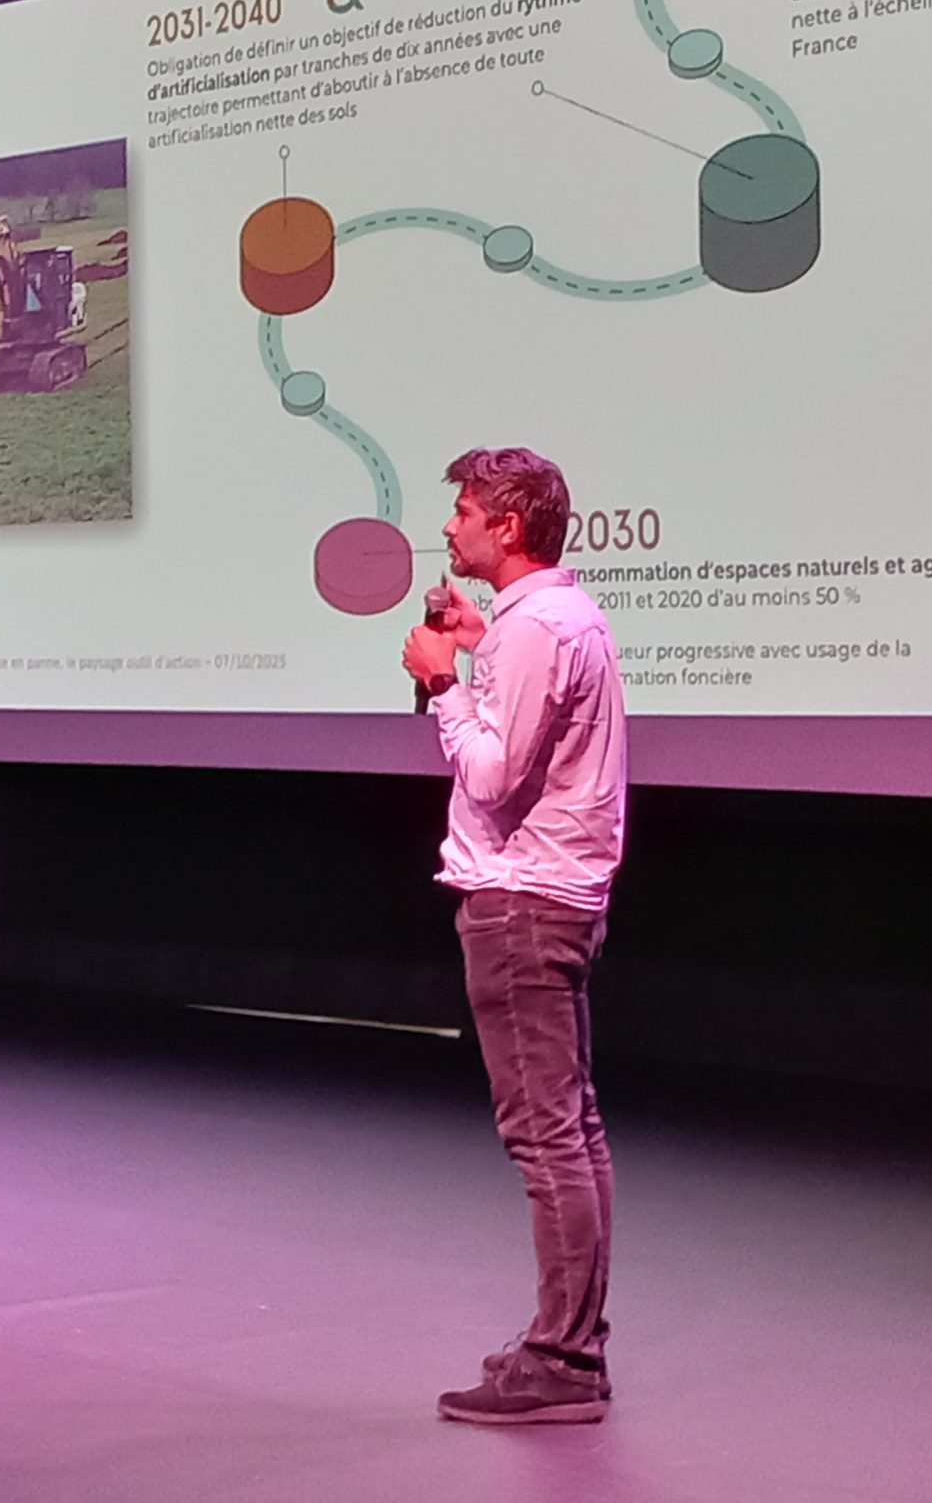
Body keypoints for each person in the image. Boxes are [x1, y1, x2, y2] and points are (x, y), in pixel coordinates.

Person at [400, 448, 627, 1427]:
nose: (447, 529)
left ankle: (565, 1361)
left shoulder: (538, 629)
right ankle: (568, 1345)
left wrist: (443, 680)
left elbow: (493, 777)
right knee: (568, 1130)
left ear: (508, 526)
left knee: (547, 1137)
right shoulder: (549, 621)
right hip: (547, 896)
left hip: (523, 902)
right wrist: (478, 642)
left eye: (462, 512)